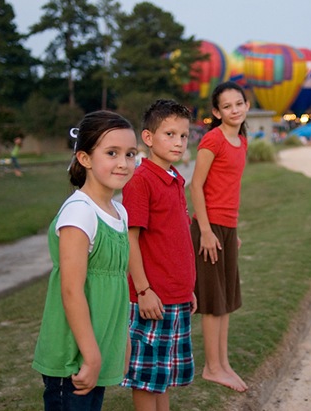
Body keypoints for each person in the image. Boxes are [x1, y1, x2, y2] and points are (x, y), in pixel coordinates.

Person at [32, 111, 138, 411]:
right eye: (112, 153)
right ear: (85, 158)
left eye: (130, 154)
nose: (123, 162)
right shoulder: (80, 212)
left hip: (100, 347)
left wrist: (122, 342)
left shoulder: (119, 212)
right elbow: (71, 290)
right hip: (73, 356)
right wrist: (90, 355)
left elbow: (116, 285)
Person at [120, 99, 197, 411]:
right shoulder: (141, 181)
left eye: (183, 135)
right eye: (169, 134)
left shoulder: (175, 178)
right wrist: (143, 290)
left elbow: (175, 240)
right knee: (145, 377)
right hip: (151, 297)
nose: (178, 142)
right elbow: (130, 239)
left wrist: (187, 289)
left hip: (176, 295)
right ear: (148, 138)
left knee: (161, 376)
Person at [189, 81, 249, 393]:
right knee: (213, 303)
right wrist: (208, 232)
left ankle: (222, 364)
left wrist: (231, 233)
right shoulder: (213, 141)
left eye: (238, 104)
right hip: (208, 230)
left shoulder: (241, 141)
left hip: (227, 229)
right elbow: (195, 186)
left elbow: (229, 189)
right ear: (216, 112)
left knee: (226, 300)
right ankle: (212, 368)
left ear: (246, 105)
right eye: (227, 106)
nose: (234, 110)